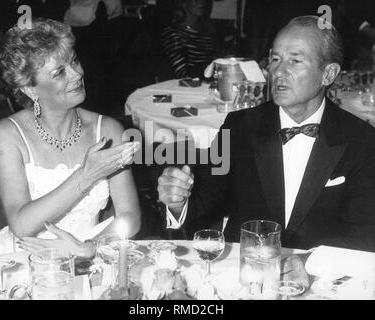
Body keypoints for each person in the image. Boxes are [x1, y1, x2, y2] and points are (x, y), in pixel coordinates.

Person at [157, 15, 375, 252]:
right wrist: (178, 201)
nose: (279, 71)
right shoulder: (240, 126)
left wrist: (308, 263)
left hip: (322, 280)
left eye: (295, 61)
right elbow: (207, 199)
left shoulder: (361, 140)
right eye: (275, 58)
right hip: (246, 268)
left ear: (328, 74)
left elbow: (363, 233)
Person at [0, 18, 141, 259]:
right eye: (59, 72)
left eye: (74, 60)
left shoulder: (108, 130)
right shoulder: (7, 135)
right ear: (30, 89)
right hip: (30, 260)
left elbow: (130, 216)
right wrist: (87, 175)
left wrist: (88, 247)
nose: (77, 74)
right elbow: (22, 225)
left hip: (94, 253)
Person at [161, 0, 220, 79]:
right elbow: (181, 73)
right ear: (184, 3)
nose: (200, 3)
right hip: (187, 86)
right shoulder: (174, 33)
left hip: (209, 82)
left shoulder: (208, 31)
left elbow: (215, 65)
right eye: (195, 0)